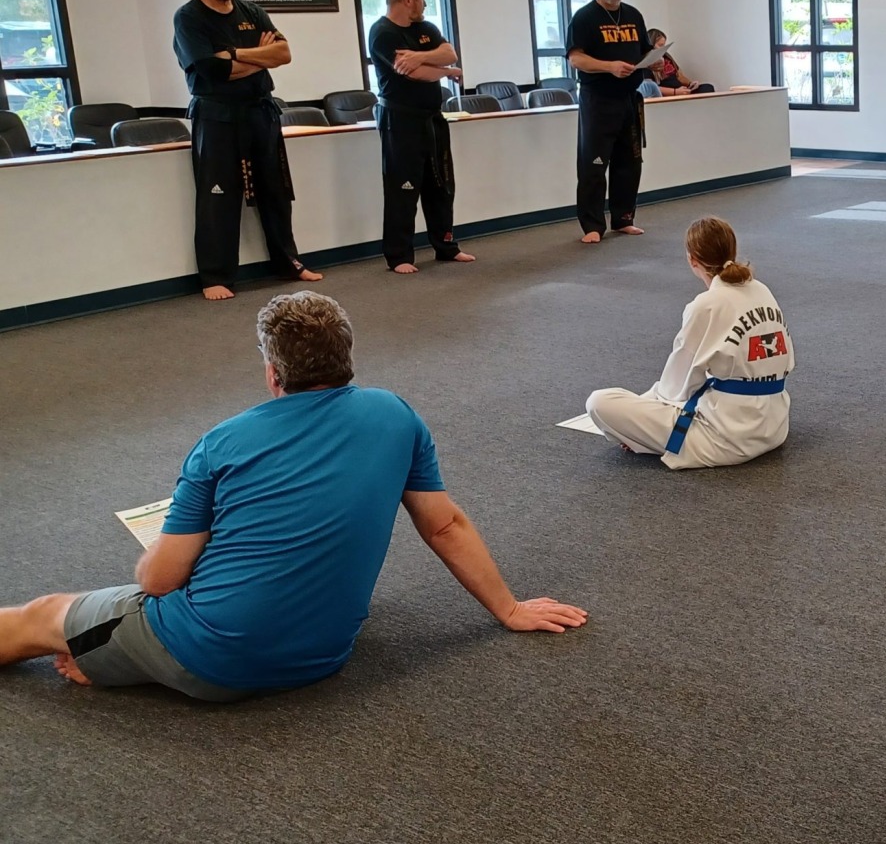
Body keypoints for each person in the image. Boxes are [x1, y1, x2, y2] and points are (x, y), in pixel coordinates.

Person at [0, 293, 584, 701]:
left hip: (215, 658)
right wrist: (509, 609)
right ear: (346, 356)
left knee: (44, 614)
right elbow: (445, 525)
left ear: (273, 372)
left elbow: (157, 582)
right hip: (322, 654)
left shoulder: (222, 443)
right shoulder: (396, 414)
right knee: (110, 628)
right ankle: (112, 657)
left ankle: (119, 655)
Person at [173, 0, 323, 301]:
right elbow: (212, 70)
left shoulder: (252, 12)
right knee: (219, 196)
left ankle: (288, 262)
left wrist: (235, 54)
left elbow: (283, 53)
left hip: (260, 111)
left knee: (276, 191)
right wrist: (260, 58)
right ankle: (215, 276)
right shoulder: (189, 17)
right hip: (217, 116)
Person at [583, 218, 793, 470]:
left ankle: (646, 439)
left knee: (599, 402)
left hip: (727, 439)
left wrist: (637, 422)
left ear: (692, 259)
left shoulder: (705, 305)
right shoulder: (761, 289)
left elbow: (675, 387)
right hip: (774, 427)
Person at [368, 0, 476, 275]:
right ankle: (399, 255)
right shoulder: (382, 32)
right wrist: (447, 72)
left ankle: (446, 245)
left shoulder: (425, 28)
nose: (425, 3)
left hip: (432, 118)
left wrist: (418, 56)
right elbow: (414, 73)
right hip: (400, 120)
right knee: (403, 188)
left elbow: (449, 52)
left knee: (441, 185)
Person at [567, 0, 651, 244]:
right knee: (593, 164)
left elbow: (644, 51)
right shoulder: (585, 17)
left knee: (630, 161)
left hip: (629, 99)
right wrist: (609, 67)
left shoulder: (634, 16)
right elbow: (576, 59)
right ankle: (592, 225)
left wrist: (654, 60)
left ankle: (623, 218)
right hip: (598, 100)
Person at [636, 29, 714, 99]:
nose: (663, 48)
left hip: (681, 90)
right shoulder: (647, 62)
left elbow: (679, 76)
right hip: (670, 94)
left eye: (664, 45)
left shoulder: (667, 56)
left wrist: (691, 83)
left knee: (708, 88)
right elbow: (651, 88)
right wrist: (675, 92)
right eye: (660, 45)